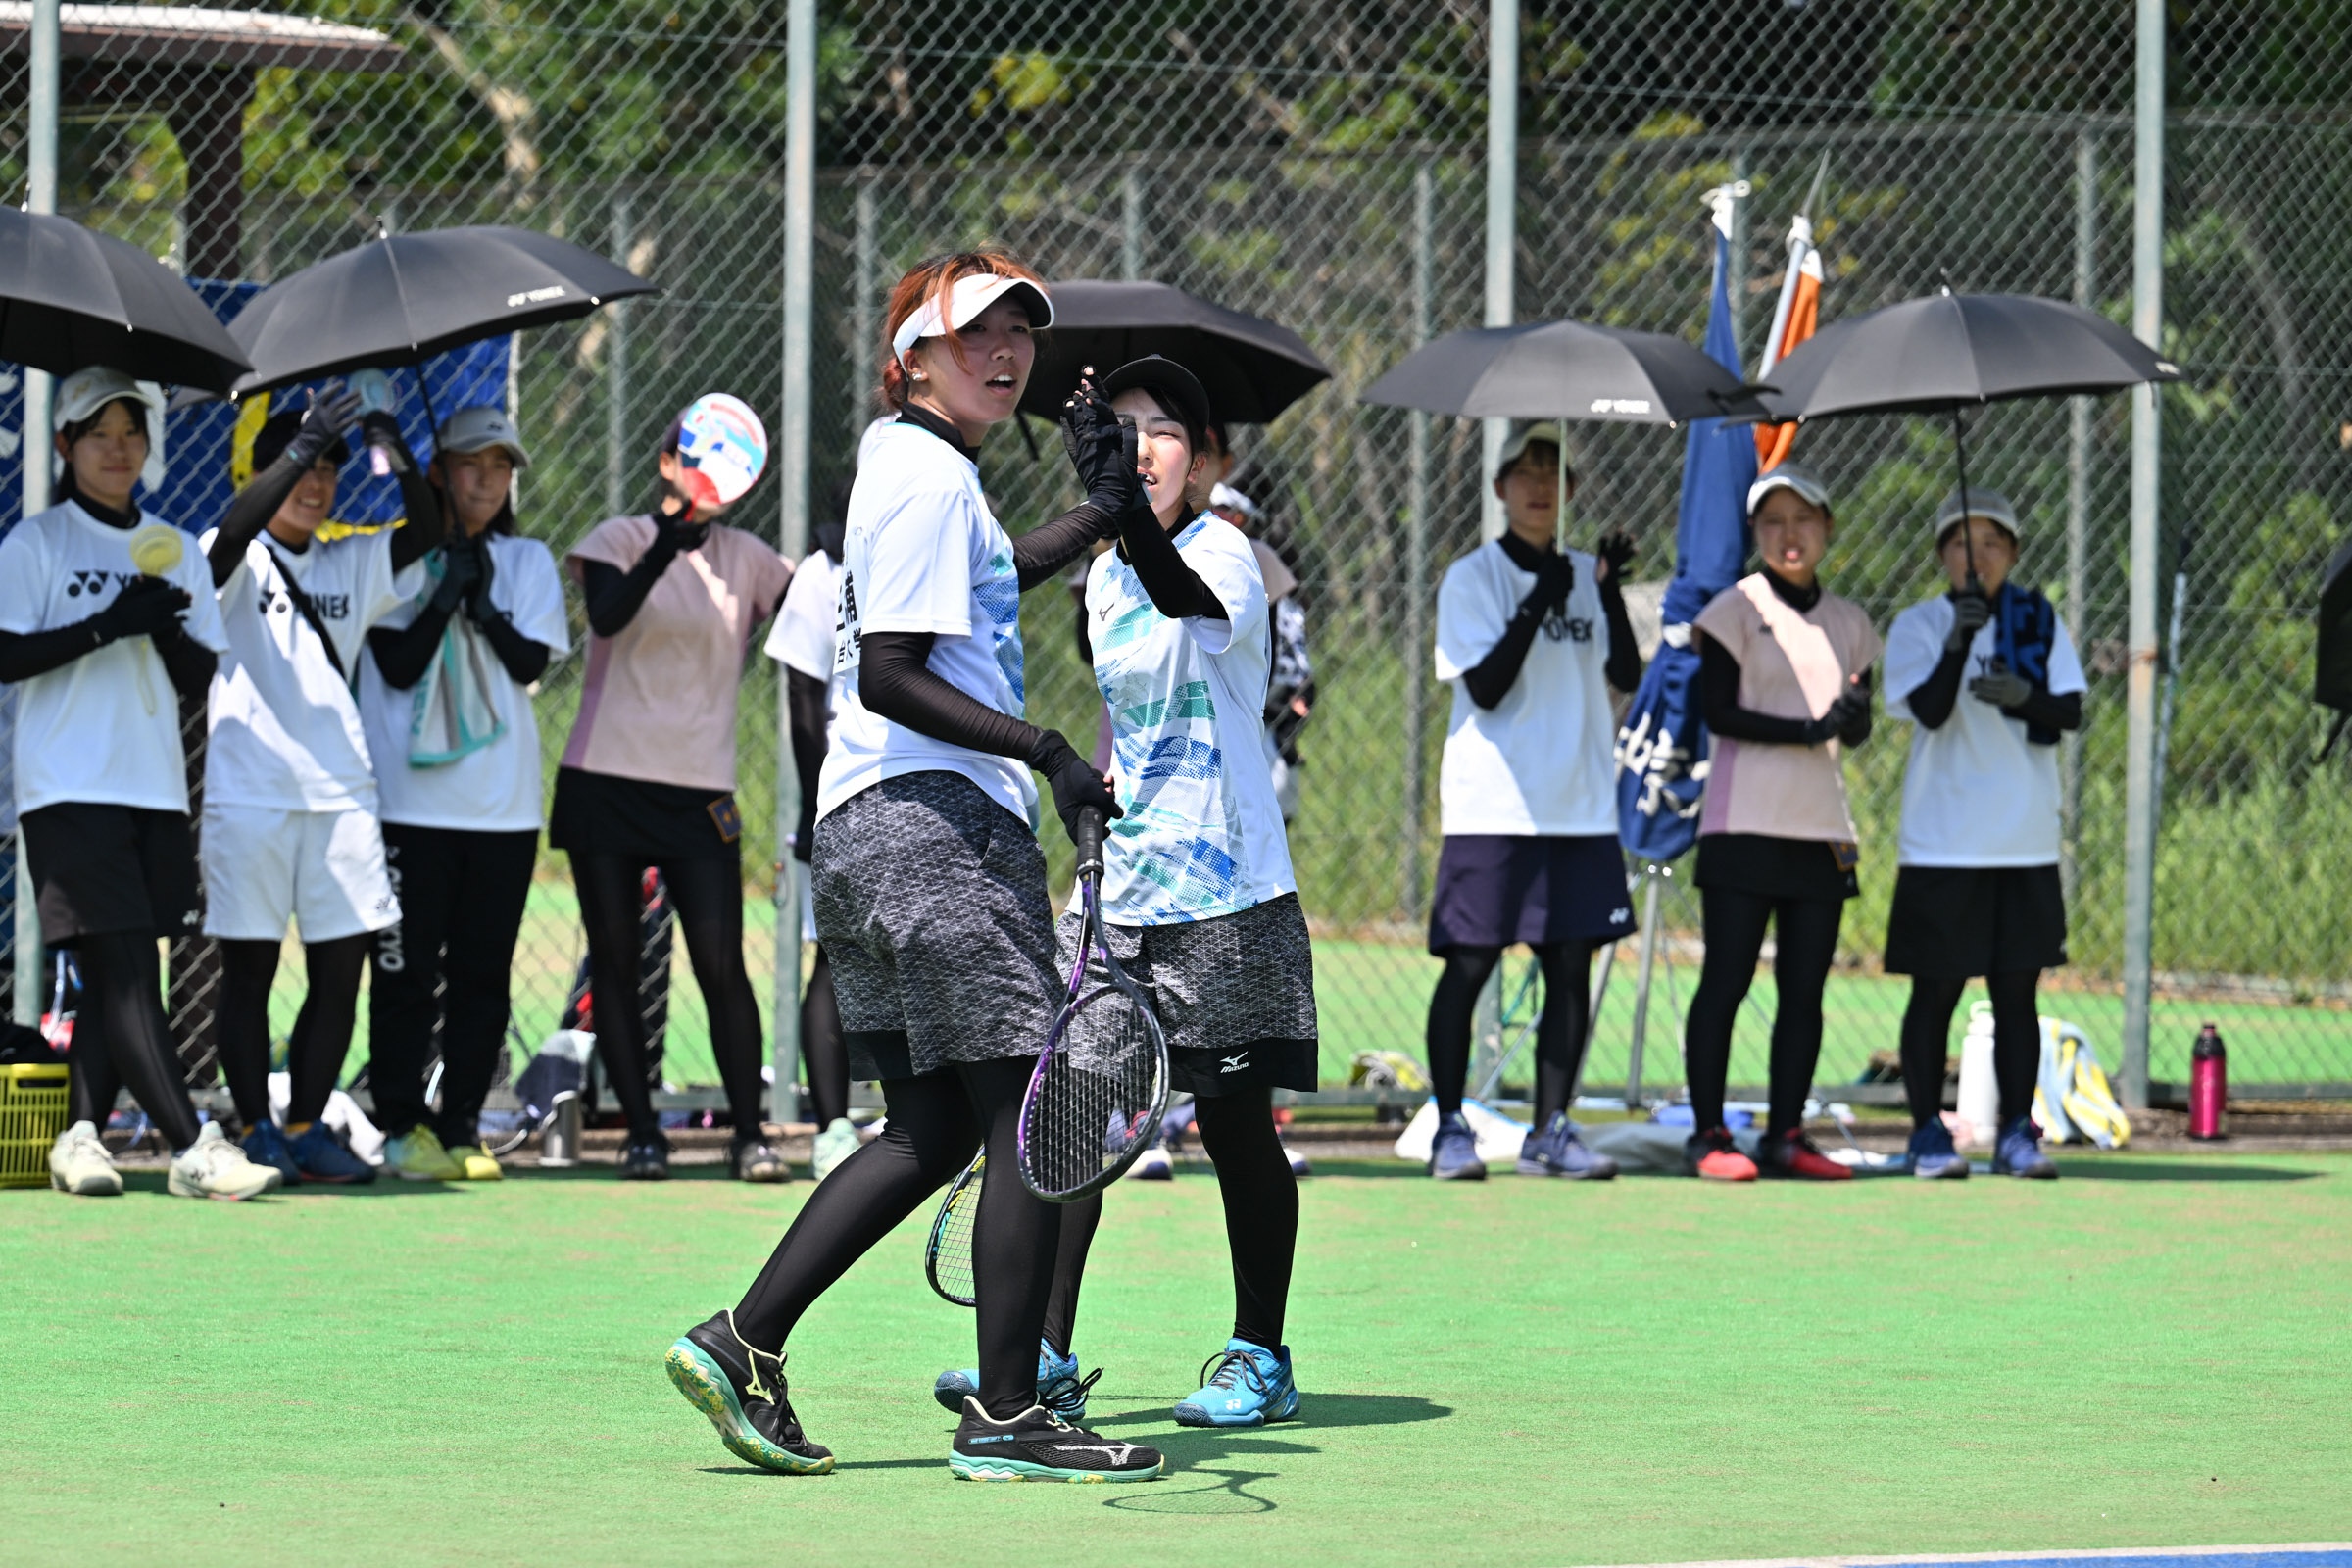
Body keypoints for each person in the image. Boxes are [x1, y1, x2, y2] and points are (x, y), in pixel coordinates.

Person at [662, 251, 1162, 1483]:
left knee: (930, 1127)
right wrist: (1048, 750)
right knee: (1033, 1110)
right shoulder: (933, 476)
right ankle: (1009, 1414)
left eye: (1020, 333)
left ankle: (741, 1339)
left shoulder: (909, 465)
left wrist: (1102, 510)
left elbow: (988, 581)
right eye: (974, 332)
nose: (1007, 351)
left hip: (865, 832)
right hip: (940, 827)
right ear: (913, 357)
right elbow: (890, 671)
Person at [931, 357, 1319, 1429]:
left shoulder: (1226, 552)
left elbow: (1183, 596)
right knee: (1066, 1120)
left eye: (1163, 430)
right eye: (1122, 428)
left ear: (1208, 462)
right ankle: (1043, 1352)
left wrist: (1118, 508)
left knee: (1235, 1126)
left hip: (1229, 892)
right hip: (1122, 890)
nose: (1141, 446)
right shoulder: (1101, 579)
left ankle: (1260, 1353)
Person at [0, 367, 270, 1200]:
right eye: (98, 435)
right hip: (65, 782)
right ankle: (194, 1146)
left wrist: (161, 627)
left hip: (152, 787)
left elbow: (197, 678)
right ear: (64, 444)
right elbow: (6, 654)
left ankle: (80, 1137)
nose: (117, 450)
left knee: (121, 960)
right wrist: (106, 624)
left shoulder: (176, 548)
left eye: (131, 433)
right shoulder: (35, 545)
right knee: (123, 964)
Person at [202, 382, 445, 1188]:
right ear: (266, 471)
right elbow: (228, 537)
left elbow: (428, 532)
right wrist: (300, 444)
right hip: (251, 793)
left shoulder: (350, 558)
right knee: (249, 972)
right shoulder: (236, 553)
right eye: (302, 466)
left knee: (341, 970)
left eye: (330, 470)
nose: (316, 483)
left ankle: (306, 1127)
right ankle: (255, 1130)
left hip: (341, 795)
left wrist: (398, 453)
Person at [551, 398, 792, 1183]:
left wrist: (833, 550)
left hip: (700, 792)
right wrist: (665, 541)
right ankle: (643, 1135)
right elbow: (608, 617)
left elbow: (813, 615)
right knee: (617, 963)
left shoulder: (751, 559)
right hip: (605, 781)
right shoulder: (617, 540)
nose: (708, 476)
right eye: (694, 458)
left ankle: (750, 1136)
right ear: (666, 464)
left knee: (721, 966)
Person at [1423, 422, 1642, 1181]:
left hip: (1578, 805)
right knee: (1471, 962)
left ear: (1571, 490)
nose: (1540, 485)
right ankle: (1451, 1126)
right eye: (1525, 471)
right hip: (1494, 805)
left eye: (1554, 471)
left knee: (1571, 968)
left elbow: (1626, 672)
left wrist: (1606, 591)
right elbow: (1486, 687)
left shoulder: (1586, 573)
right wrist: (1539, 596)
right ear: (1500, 488)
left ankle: (1551, 1130)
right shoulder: (1472, 578)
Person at [359, 407, 570, 1182]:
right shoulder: (390, 557)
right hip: (409, 808)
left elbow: (528, 664)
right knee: (407, 975)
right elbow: (397, 666)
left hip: (501, 812)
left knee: (484, 978)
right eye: (470, 464)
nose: (487, 480)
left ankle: (461, 1127)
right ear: (437, 473)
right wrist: (445, 592)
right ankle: (400, 1125)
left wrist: (482, 602)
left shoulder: (528, 560)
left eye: (500, 467)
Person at [1681, 463, 1881, 1182]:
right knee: (1726, 982)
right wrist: (1807, 729)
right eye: (1772, 522)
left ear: (1826, 528)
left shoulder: (1852, 623)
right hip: (1741, 827)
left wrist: (1849, 719)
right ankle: (1708, 1135)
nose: (1788, 535)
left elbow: (1855, 727)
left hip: (1821, 831)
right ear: (1755, 533)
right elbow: (1718, 712)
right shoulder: (1732, 609)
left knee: (1805, 992)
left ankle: (1786, 1136)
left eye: (1802, 520)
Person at [1885, 487, 2083, 1180]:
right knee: (1935, 990)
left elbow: (2070, 711)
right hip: (1943, 842)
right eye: (1963, 544)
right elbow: (1930, 710)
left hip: (2023, 841)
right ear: (1942, 555)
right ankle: (1926, 1134)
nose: (1979, 557)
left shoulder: (2038, 619)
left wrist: (2026, 697)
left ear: (2015, 554)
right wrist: (1960, 638)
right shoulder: (1918, 624)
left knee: (2017, 994)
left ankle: (2015, 1136)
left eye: (1993, 543)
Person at [763, 476, 858, 1179]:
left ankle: (934, 1118)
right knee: (833, 957)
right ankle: (832, 1127)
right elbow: (802, 696)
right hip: (841, 794)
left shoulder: (949, 552)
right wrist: (825, 805)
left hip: (930, 787)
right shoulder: (824, 571)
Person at [1210, 478, 1315, 822]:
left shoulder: (1258, 559)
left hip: (1263, 728)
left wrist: (1283, 707)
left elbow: (1294, 674)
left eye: (1224, 511)